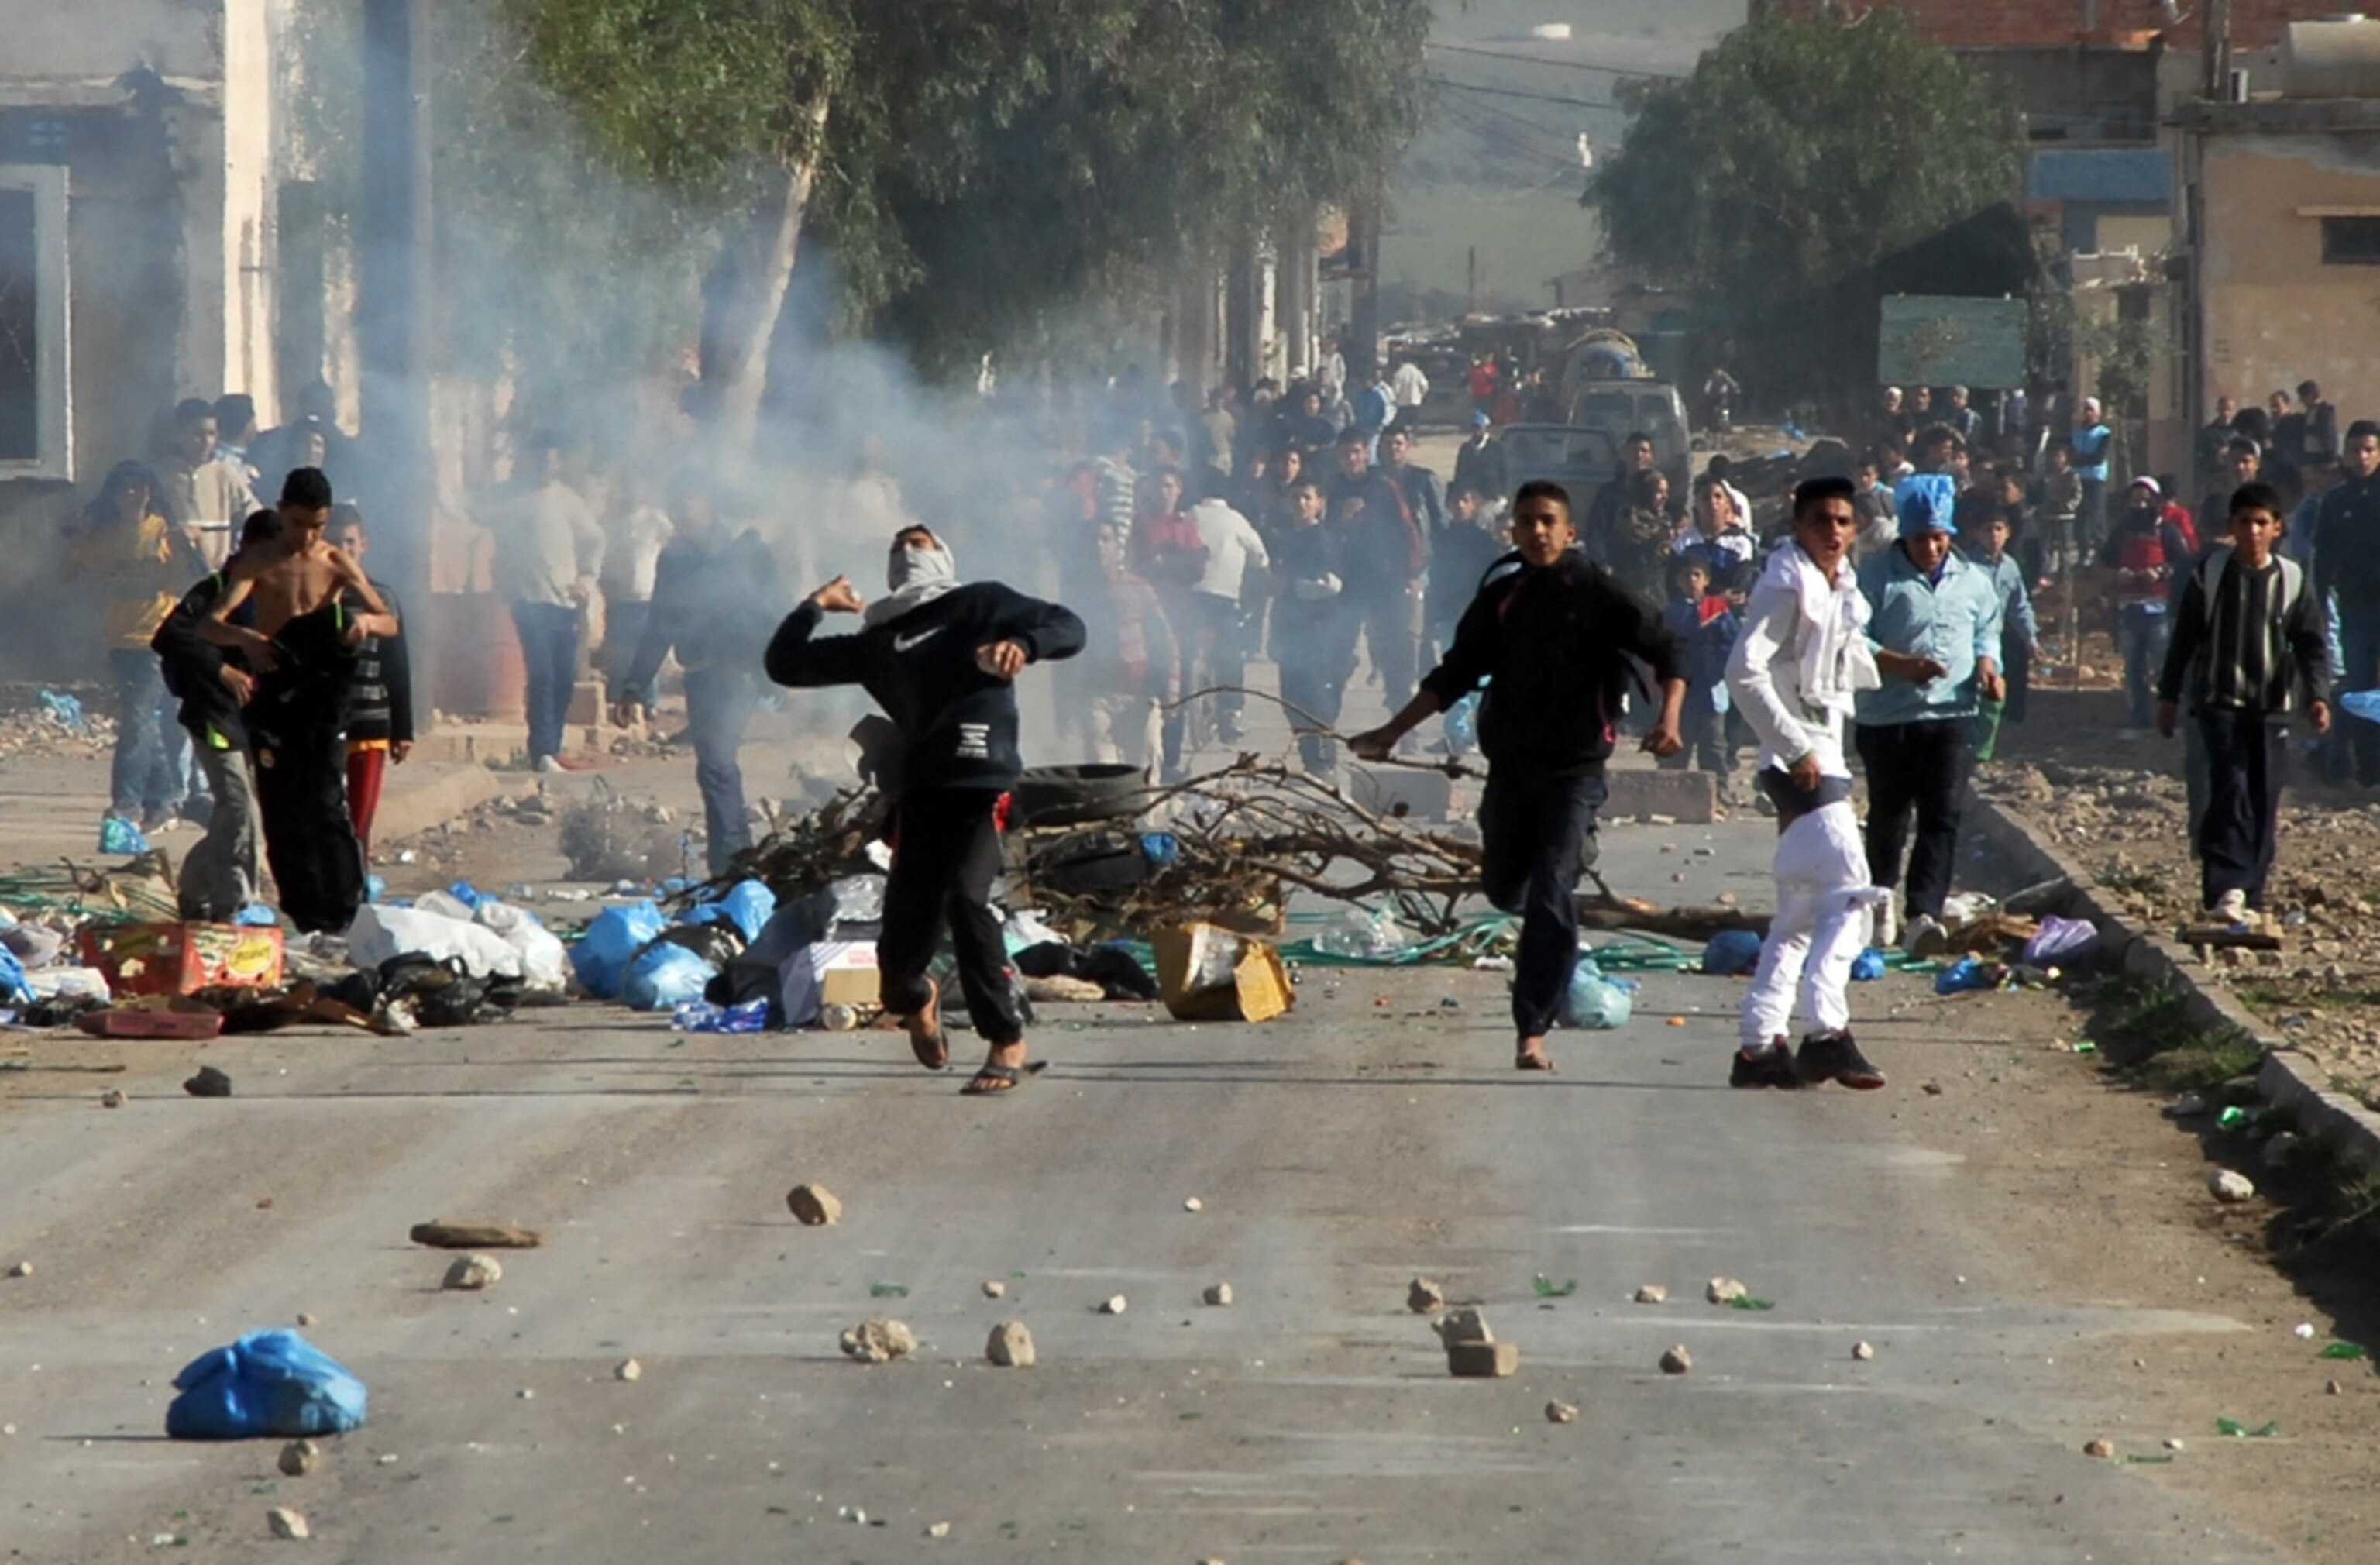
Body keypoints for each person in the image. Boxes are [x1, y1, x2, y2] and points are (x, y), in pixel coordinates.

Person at [1350, 481, 1685, 1072]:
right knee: (1506, 888)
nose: (1537, 532)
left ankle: (1532, 1026)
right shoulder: (1502, 599)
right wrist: (1391, 731)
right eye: (1526, 521)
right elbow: (1453, 674)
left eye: (1548, 521)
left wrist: (1671, 718)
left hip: (1576, 769)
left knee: (1553, 888)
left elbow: (1670, 650)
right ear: (1513, 530)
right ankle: (1554, 912)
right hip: (1511, 768)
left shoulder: (1601, 593)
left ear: (1569, 530)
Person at [764, 527, 1085, 1096]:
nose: (910, 551)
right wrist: (816, 604)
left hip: (983, 786)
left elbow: (1069, 627)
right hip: (921, 794)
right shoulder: (879, 639)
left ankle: (1005, 1038)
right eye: (900, 546)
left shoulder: (980, 604)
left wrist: (1025, 646)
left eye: (921, 542)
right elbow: (785, 665)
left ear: (943, 556)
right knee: (898, 970)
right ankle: (920, 1001)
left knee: (967, 899)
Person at [1725, 476, 1893, 1091]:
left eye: (1844, 521)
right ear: (1798, 525)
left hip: (1825, 748)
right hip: (1801, 756)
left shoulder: (1837, 584)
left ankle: (1757, 1045)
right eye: (1821, 520)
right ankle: (1827, 1034)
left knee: (1800, 907)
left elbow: (1846, 660)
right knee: (1851, 889)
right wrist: (1794, 747)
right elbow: (1743, 670)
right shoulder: (1785, 583)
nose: (1833, 532)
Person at [203, 470, 395, 934]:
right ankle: (304, 910)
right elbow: (210, 624)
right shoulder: (258, 562)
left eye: (316, 525)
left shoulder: (333, 561)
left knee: (327, 801)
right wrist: (244, 638)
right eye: (295, 524)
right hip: (274, 687)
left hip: (322, 692)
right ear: (281, 511)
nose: (305, 537)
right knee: (281, 805)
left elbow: (388, 618)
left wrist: (365, 626)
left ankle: (345, 907)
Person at [2158, 482, 2330, 924]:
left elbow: (2310, 644)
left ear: (2277, 528)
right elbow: (2185, 639)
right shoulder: (2210, 574)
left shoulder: (2291, 580)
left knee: (2263, 796)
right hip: (2219, 700)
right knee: (2229, 787)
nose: (2252, 531)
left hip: (2272, 707)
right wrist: (2169, 695)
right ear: (2231, 527)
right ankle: (2225, 886)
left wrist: (2318, 696)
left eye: (2261, 523)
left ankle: (2251, 891)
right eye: (2244, 522)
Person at [1853, 473, 2003, 954]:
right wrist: (1902, 665)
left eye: (1940, 538)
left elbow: (1987, 631)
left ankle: (1923, 912)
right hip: (1889, 717)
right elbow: (1854, 639)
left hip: (1952, 713)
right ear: (1905, 537)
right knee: (1890, 815)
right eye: (1922, 539)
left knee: (1943, 814)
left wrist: (1988, 664)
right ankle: (1880, 898)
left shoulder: (1974, 581)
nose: (1932, 548)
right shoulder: (1875, 579)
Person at [608, 476, 785, 875]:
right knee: (714, 765)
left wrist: (781, 673)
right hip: (701, 675)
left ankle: (734, 862)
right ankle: (735, 860)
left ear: (708, 504)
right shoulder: (674, 559)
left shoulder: (749, 550)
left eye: (690, 502)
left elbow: (779, 611)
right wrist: (635, 685)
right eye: (677, 505)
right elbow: (660, 623)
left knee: (718, 763)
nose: (683, 513)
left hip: (740, 672)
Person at [65, 460, 208, 836]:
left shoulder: (163, 533)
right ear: (114, 495)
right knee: (146, 722)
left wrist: (188, 545)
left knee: (138, 720)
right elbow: (71, 571)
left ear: (151, 493)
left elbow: (191, 579)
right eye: (125, 489)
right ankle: (165, 799)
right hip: (120, 640)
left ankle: (127, 802)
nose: (133, 496)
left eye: (140, 488)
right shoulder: (108, 535)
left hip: (156, 639)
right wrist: (78, 539)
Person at [151, 509, 280, 921]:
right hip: (213, 716)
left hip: (254, 724)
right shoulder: (215, 591)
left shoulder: (278, 599)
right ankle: (235, 903)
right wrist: (220, 669)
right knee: (239, 807)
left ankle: (193, 887)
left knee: (237, 813)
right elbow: (169, 636)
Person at [491, 432, 605, 772]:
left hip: (564, 603)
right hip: (527, 600)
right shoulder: (508, 497)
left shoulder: (566, 500)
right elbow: (470, 509)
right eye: (539, 458)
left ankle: (552, 748)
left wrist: (586, 578)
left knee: (563, 677)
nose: (545, 465)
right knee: (541, 674)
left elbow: (595, 539)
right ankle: (541, 751)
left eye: (551, 459)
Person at [328, 506, 414, 861]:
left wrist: (403, 729)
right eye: (334, 542)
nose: (343, 550)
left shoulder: (383, 600)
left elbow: (397, 667)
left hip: (370, 724)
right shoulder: (309, 599)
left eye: (350, 542)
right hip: (323, 728)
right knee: (327, 819)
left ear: (363, 545)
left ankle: (356, 900)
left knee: (359, 825)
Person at [1326, 427, 1426, 715]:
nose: (1351, 459)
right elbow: (1322, 530)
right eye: (1345, 454)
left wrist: (1412, 572)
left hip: (1386, 579)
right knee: (1336, 651)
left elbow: (1409, 530)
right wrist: (1340, 520)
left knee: (1395, 652)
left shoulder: (1383, 486)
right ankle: (1325, 721)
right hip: (1347, 581)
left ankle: (1401, 719)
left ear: (1366, 454)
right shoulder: (1332, 488)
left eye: (1356, 452)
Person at [1272, 480, 1360, 778]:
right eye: (1295, 498)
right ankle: (1310, 762)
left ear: (1320, 503)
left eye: (1306, 498)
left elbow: (1332, 585)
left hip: (1318, 633)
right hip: (1290, 632)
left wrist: (1293, 587)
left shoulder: (1322, 539)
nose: (1300, 504)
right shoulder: (1286, 539)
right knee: (1292, 699)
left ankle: (1325, 762)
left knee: (1315, 701)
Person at [1079, 520, 1176, 771]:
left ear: (1118, 547)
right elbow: (1066, 653)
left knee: (1144, 773)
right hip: (1099, 697)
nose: (1098, 547)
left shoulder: (1140, 588)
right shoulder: (1079, 593)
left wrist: (1171, 693)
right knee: (1103, 778)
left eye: (1105, 539)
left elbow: (1166, 641)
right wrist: (1063, 704)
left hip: (1141, 695)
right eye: (1093, 541)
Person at [1130, 467, 1207, 778]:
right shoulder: (1142, 524)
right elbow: (1143, 563)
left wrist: (1170, 561)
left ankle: (1172, 759)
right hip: (1150, 613)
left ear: (1179, 490)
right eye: (1159, 486)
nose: (1164, 492)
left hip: (1182, 614)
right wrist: (1176, 561)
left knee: (1182, 687)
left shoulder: (1186, 526)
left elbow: (1199, 566)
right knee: (1154, 682)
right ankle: (1150, 755)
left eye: (1169, 486)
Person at [2099, 476, 2194, 730]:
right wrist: (2119, 574)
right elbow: (2105, 563)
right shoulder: (2120, 531)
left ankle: (2171, 714)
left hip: (2159, 609)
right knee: (2133, 669)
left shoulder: (2168, 531)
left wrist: (2160, 572)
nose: (2140, 506)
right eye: (2135, 500)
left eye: (2146, 500)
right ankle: (2139, 718)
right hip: (2128, 609)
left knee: (2164, 666)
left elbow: (2182, 563)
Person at [2314, 420, 2380, 785]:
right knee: (2361, 690)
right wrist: (2317, 602)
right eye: (2356, 450)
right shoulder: (2336, 501)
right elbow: (2322, 557)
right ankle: (2368, 768)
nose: (2363, 457)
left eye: (2369, 449)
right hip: (2355, 610)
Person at [1187, 480, 1270, 745]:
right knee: (1230, 653)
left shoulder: (1190, 515)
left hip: (1191, 596)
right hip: (1224, 598)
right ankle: (1232, 711)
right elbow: (1260, 556)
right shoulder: (1236, 519)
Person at [1659, 556, 1741, 797]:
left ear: (1706, 580)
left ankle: (1720, 795)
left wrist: (1720, 667)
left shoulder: (1719, 611)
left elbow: (1733, 640)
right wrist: (1714, 608)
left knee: (1714, 748)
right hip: (1682, 690)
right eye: (1686, 576)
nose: (1691, 580)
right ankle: (1671, 797)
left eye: (1697, 575)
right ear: (1678, 581)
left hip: (1712, 689)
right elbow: (1685, 626)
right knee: (1676, 748)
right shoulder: (1674, 611)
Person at [600, 472, 674, 717]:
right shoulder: (610, 524)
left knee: (646, 653)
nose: (630, 493)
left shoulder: (654, 520)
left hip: (648, 598)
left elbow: (674, 543)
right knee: (620, 654)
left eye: (635, 487)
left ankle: (648, 705)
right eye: (626, 488)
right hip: (619, 599)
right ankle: (620, 704)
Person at [1966, 510, 2036, 762]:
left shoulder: (2010, 567)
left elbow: (2020, 606)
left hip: (1993, 638)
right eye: (1988, 529)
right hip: (1965, 636)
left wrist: (2030, 638)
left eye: (1998, 529)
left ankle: (1983, 750)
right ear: (1977, 534)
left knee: (1993, 691)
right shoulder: (1966, 566)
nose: (1993, 535)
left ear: (2007, 534)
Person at [158, 397, 258, 571]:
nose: (206, 442)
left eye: (211, 434)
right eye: (198, 435)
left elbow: (254, 515)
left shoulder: (225, 474)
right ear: (179, 434)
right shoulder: (161, 476)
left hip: (217, 578)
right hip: (172, 582)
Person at [1587, 433, 1659, 558]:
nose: (1638, 455)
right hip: (1616, 561)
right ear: (1624, 454)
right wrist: (1602, 562)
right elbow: (1596, 532)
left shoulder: (1660, 491)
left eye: (1644, 451)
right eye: (1634, 450)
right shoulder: (1608, 492)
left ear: (1651, 456)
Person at [2072, 397, 2114, 555]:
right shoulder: (2077, 433)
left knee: (2097, 520)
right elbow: (2072, 456)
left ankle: (2103, 555)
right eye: (2086, 409)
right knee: (2080, 521)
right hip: (2079, 480)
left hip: (2096, 480)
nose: (2088, 413)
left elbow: (2098, 458)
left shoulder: (2104, 433)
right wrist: (2080, 460)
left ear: (2098, 413)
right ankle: (2083, 555)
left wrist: (2081, 459)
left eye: (2091, 409)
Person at [1452, 412, 1506, 504]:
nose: (1476, 430)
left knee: (1484, 516)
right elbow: (1459, 473)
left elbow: (1504, 472)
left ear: (1486, 428)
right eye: (1474, 427)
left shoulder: (1497, 448)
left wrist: (1502, 495)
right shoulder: (1466, 448)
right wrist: (1458, 492)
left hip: (1491, 496)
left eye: (1479, 427)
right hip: (1469, 495)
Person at [1388, 356, 1429, 428]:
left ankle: (1404, 436)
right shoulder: (1417, 372)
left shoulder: (1399, 373)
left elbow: (1396, 389)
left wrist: (1395, 400)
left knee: (1402, 422)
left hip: (1403, 403)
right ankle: (1414, 435)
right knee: (1414, 421)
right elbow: (1425, 385)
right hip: (1415, 401)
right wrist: (1421, 396)